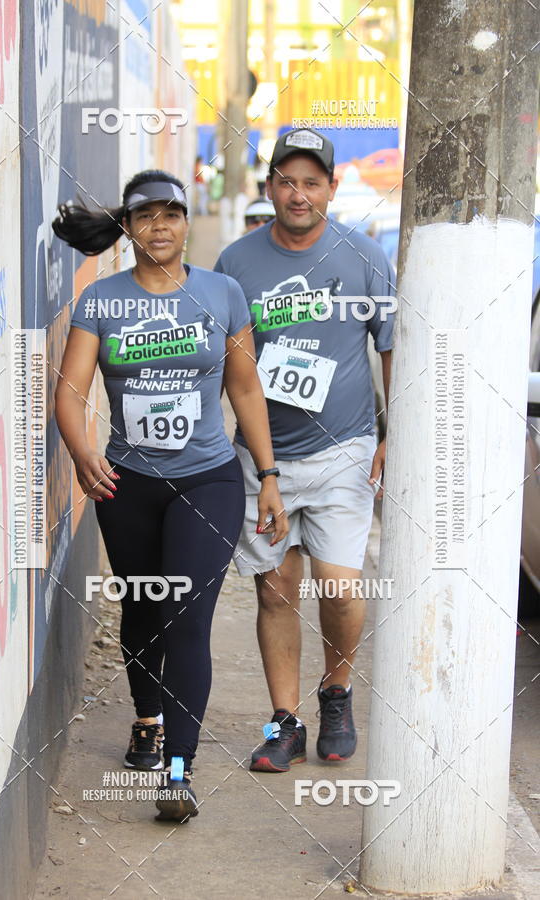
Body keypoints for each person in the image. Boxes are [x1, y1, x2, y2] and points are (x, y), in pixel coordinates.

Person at [52, 170, 287, 820]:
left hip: (208, 478)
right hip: (126, 484)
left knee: (186, 615)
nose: (160, 226)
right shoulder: (101, 300)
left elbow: (245, 388)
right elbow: (70, 391)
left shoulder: (224, 292)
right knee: (143, 609)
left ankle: (177, 771)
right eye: (146, 216)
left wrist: (266, 475)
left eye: (171, 214)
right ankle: (147, 717)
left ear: (186, 222)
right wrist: (83, 451)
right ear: (126, 228)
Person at [214, 129, 395, 772]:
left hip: (344, 449)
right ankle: (285, 722)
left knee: (340, 589)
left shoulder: (366, 258)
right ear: (269, 188)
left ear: (332, 188)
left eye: (311, 182)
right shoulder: (236, 264)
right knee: (275, 590)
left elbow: (389, 345)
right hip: (263, 457)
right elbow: (229, 368)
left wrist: (390, 433)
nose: (298, 194)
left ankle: (337, 692)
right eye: (286, 181)